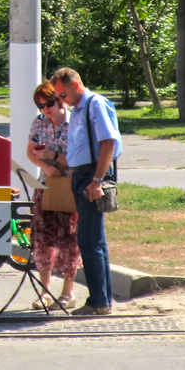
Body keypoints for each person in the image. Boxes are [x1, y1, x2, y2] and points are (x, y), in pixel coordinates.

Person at [50, 67, 122, 316]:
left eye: (62, 94)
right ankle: (101, 299)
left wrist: (97, 180)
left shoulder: (94, 104)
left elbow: (109, 142)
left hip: (91, 175)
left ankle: (99, 302)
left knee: (90, 241)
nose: (61, 100)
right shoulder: (79, 109)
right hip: (82, 175)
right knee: (92, 240)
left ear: (76, 85)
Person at [26, 81, 81, 310]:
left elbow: (80, 157)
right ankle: (45, 292)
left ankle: (68, 292)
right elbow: (30, 152)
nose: (45, 109)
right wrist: (42, 163)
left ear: (59, 100)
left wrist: (54, 158)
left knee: (70, 239)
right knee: (42, 239)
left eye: (48, 103)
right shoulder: (39, 123)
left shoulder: (74, 122)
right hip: (46, 185)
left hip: (69, 184)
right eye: (40, 105)